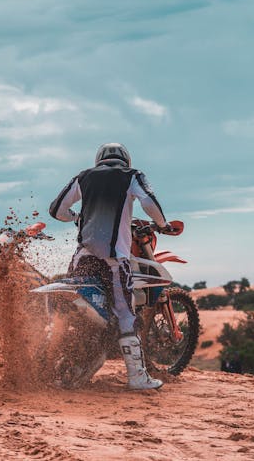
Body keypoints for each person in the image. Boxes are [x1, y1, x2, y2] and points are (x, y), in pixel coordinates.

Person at [49, 142, 170, 390]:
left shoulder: (83, 177)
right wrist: (162, 223)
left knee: (78, 305)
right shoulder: (132, 175)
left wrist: (76, 217)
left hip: (83, 256)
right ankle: (137, 377)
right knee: (126, 313)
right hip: (114, 258)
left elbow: (56, 210)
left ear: (98, 160)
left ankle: (62, 362)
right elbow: (150, 202)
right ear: (125, 159)